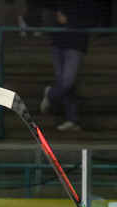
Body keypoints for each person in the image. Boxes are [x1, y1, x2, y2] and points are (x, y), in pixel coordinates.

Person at [39, 1, 94, 132]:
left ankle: (50, 94)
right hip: (58, 42)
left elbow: (92, 19)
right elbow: (47, 7)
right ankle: (71, 119)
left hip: (75, 44)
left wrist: (69, 21)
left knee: (67, 82)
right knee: (65, 83)